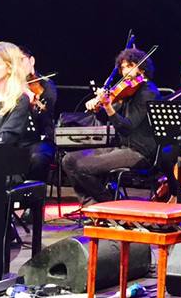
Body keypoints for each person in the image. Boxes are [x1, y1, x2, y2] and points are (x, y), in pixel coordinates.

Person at [62, 48, 160, 205]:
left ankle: (111, 204)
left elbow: (127, 127)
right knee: (68, 160)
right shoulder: (127, 91)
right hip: (121, 147)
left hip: (139, 152)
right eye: (123, 67)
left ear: (142, 69)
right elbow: (105, 118)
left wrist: (108, 106)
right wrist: (98, 108)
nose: (125, 71)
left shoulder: (148, 92)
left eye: (130, 66)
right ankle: (90, 205)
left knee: (82, 167)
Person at [19, 47, 58, 180]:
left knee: (37, 158)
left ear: (32, 61)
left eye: (21, 60)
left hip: (41, 140)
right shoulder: (11, 84)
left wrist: (27, 96)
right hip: (16, 139)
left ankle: (32, 190)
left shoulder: (46, 85)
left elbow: (44, 115)